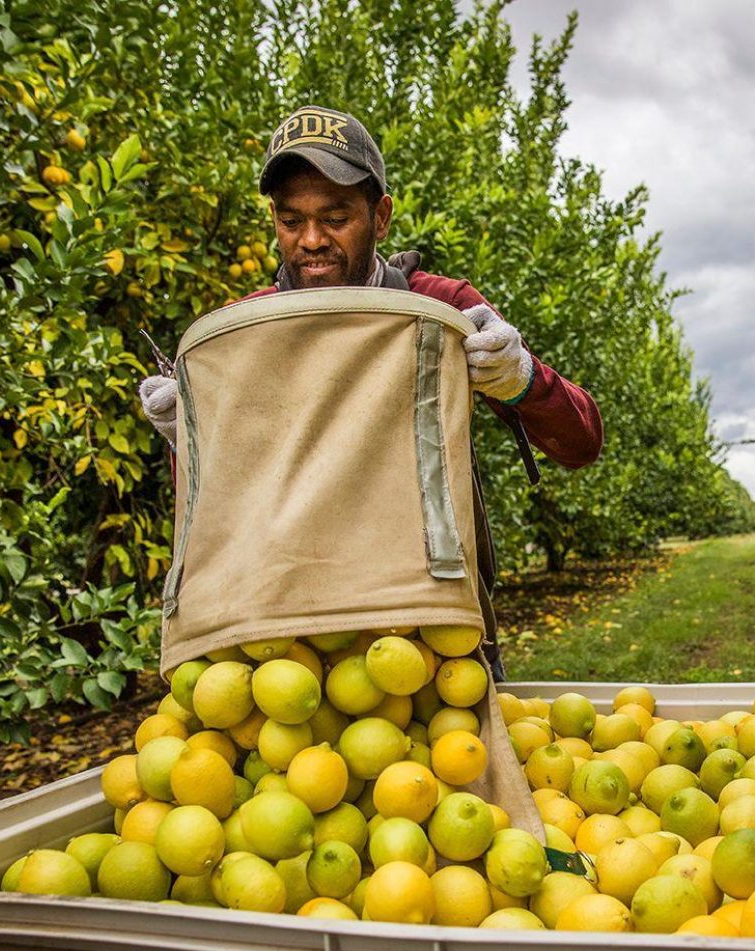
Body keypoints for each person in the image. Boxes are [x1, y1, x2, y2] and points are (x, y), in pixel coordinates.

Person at [140, 105, 603, 679]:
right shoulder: (246, 331)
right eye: (290, 221)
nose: (311, 241)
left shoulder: (440, 308)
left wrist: (520, 378)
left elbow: (580, 441)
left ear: (380, 216)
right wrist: (189, 441)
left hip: (428, 626)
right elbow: (221, 506)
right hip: (283, 635)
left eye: (336, 218)